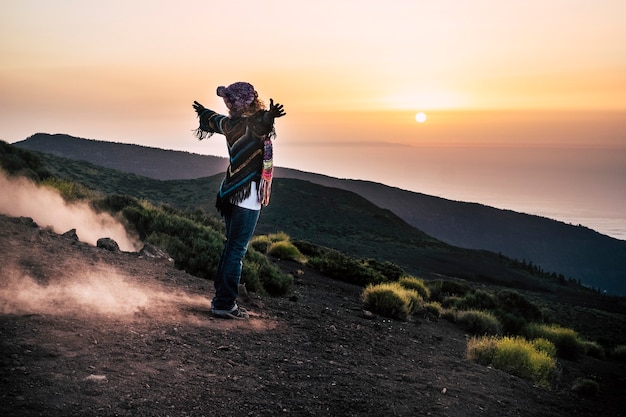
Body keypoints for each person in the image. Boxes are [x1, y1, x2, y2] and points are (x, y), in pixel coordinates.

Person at [192, 82, 286, 319]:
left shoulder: (230, 124)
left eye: (229, 100)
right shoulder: (251, 124)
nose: (226, 104)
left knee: (230, 248)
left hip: (229, 192)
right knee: (236, 250)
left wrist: (202, 111)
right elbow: (260, 123)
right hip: (247, 197)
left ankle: (221, 299)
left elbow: (211, 119)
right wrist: (270, 116)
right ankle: (225, 304)